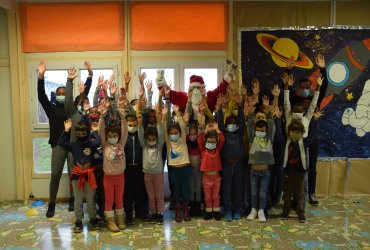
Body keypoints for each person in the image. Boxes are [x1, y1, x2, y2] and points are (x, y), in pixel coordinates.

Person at [285, 55, 328, 206]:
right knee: (293, 164)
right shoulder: (295, 99)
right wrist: (288, 69)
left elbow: (324, 86)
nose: (305, 90)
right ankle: (292, 194)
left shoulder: (315, 98)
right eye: (302, 87)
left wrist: (322, 69)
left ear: (311, 88)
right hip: (297, 136)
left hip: (312, 135)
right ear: (298, 88)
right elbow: (286, 89)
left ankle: (311, 193)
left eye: (307, 87)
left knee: (312, 164)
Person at [37, 61, 72, 218]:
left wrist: (71, 80)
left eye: (64, 92)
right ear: (55, 95)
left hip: (72, 146)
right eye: (59, 93)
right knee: (55, 175)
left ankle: (73, 199)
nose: (61, 95)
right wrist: (41, 76)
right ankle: (52, 204)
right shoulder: (51, 108)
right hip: (58, 145)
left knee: (74, 174)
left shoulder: (71, 108)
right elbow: (41, 96)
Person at [58, 119, 101, 233]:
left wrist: (95, 131)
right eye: (78, 134)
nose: (81, 136)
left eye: (83, 134)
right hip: (77, 177)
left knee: (91, 200)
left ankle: (92, 218)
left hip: (89, 177)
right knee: (78, 200)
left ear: (87, 132)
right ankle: (78, 220)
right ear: (75, 134)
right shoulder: (73, 145)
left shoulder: (91, 143)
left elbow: (98, 141)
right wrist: (66, 130)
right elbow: (61, 142)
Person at [64, 61, 93, 211]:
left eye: (85, 102)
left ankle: (89, 201)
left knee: (88, 179)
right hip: (74, 152)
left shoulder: (89, 116)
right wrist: (69, 80)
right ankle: (74, 199)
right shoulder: (73, 113)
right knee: (73, 176)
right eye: (81, 102)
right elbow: (68, 99)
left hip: (88, 153)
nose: (84, 103)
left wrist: (90, 76)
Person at [280, 118, 319, 223]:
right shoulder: (286, 142)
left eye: (297, 132)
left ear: (302, 133)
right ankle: (286, 211)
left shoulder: (304, 143)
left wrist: (315, 121)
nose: (295, 134)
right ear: (289, 132)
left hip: (300, 172)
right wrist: (278, 119)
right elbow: (279, 135)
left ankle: (301, 212)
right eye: (292, 131)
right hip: (288, 171)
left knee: (300, 193)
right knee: (287, 193)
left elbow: (312, 134)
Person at [98, 97, 128, 232]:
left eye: (115, 135)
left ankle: (120, 219)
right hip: (108, 178)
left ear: (118, 136)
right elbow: (100, 132)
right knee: (109, 200)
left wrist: (122, 118)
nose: (112, 137)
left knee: (119, 199)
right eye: (110, 135)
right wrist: (102, 117)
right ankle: (110, 221)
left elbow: (125, 131)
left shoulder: (121, 143)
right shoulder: (105, 145)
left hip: (120, 176)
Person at [137, 89, 165, 224]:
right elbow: (140, 131)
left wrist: (159, 121)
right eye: (150, 138)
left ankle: (160, 213)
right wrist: (139, 123)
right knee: (151, 196)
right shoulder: (144, 145)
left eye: (154, 138)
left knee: (159, 195)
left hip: (158, 173)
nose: (152, 140)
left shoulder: (159, 145)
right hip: (147, 174)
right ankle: (153, 212)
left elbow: (161, 132)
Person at [217, 94, 245, 221]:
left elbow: (242, 121)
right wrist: (221, 108)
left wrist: (240, 106)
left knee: (238, 188)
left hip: (239, 164)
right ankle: (228, 210)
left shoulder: (239, 133)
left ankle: (238, 209)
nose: (232, 125)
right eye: (229, 123)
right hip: (227, 165)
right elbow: (220, 123)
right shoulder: (223, 134)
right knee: (226, 188)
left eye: (234, 123)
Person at [163, 104, 191, 222]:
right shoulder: (169, 143)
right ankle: (178, 212)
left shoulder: (183, 140)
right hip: (174, 169)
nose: (174, 134)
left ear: (179, 133)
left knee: (185, 191)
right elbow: (164, 129)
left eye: (176, 132)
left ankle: (185, 211)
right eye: (172, 133)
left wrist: (178, 114)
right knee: (176, 191)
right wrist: (165, 117)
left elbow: (183, 127)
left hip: (185, 169)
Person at [246, 116, 275, 222]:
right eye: (257, 130)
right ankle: (253, 210)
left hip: (265, 172)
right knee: (253, 192)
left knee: (263, 192)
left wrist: (269, 115)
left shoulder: (269, 139)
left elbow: (271, 127)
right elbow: (249, 127)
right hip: (253, 172)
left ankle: (261, 211)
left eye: (262, 130)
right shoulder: (252, 139)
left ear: (266, 130)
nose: (260, 132)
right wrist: (250, 114)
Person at [197, 122, 225, 220]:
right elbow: (199, 139)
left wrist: (217, 130)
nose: (211, 144)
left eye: (213, 142)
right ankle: (208, 211)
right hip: (206, 178)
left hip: (216, 178)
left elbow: (222, 140)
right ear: (205, 141)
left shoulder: (217, 150)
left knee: (216, 196)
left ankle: (216, 211)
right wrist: (206, 131)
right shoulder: (203, 150)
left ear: (216, 142)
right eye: (209, 142)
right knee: (207, 196)